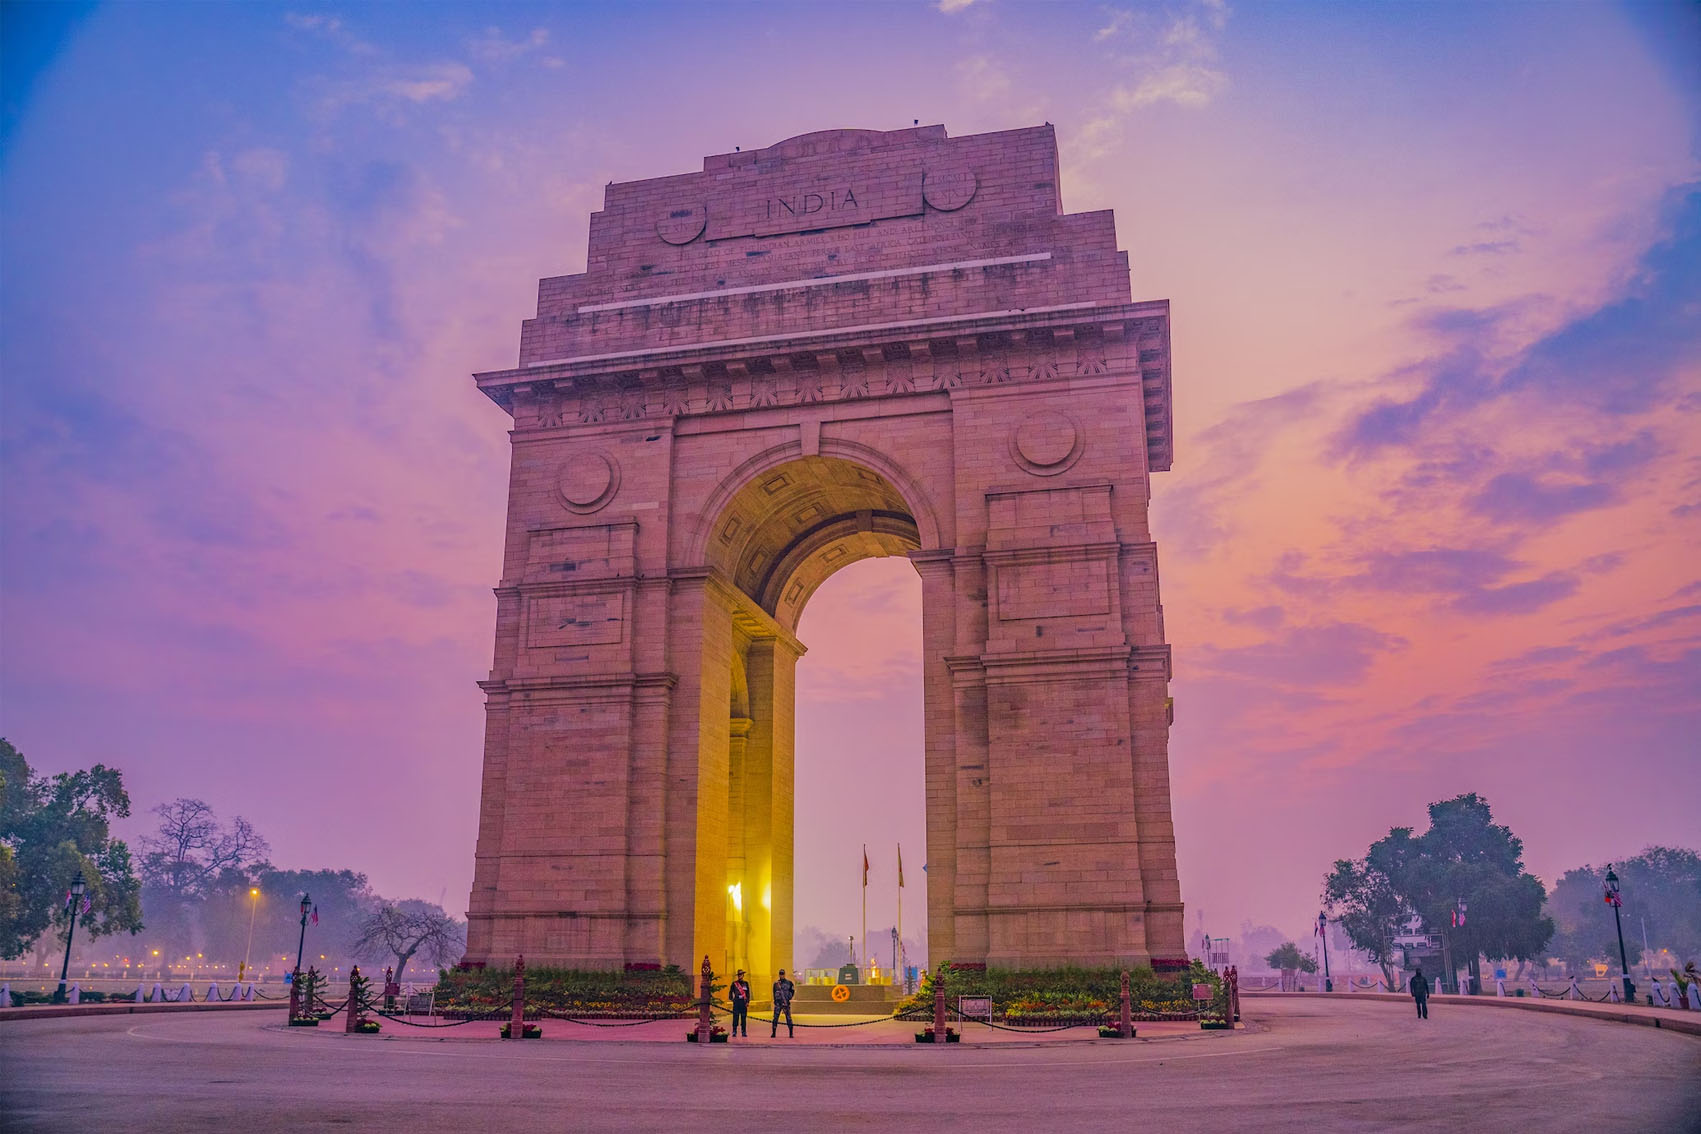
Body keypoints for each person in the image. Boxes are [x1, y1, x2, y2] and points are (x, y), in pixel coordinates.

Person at [771, 968, 796, 1038]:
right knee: (775, 1018)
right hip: (778, 1003)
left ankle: (791, 1033)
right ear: (779, 975)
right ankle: (773, 1033)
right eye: (780, 974)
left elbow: (792, 991)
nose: (781, 975)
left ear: (784, 974)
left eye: (782, 974)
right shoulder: (776, 984)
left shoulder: (789, 983)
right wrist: (775, 1001)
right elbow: (774, 993)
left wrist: (789, 998)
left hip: (786, 1003)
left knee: (789, 1019)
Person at [729, 970, 751, 1037]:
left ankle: (743, 1031)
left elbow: (748, 994)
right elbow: (730, 992)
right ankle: (734, 1031)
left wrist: (747, 1001)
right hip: (737, 1002)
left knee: (743, 1018)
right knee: (735, 1017)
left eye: (741, 974)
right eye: (739, 975)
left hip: (743, 1002)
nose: (740, 976)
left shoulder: (746, 983)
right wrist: (732, 999)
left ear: (743, 975)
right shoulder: (734, 983)